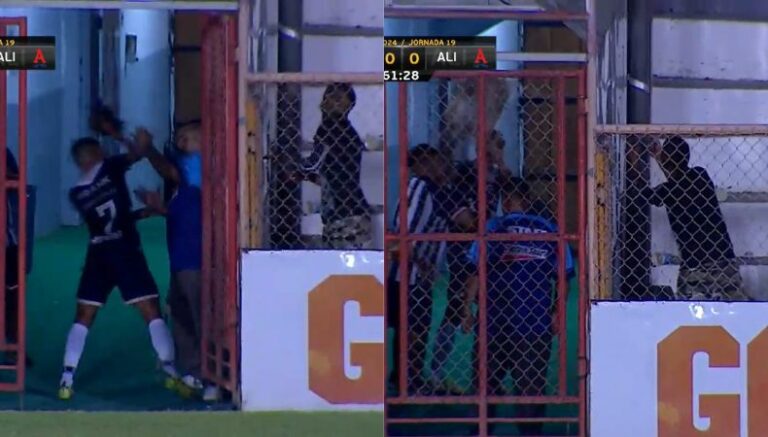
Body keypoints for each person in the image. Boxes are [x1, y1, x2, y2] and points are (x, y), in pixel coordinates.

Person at [57, 136, 179, 400]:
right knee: (150, 311)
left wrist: (142, 213)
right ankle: (171, 371)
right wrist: (134, 139)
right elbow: (136, 153)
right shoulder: (110, 167)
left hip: (99, 253)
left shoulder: (76, 193)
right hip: (125, 251)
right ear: (95, 153)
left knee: (84, 316)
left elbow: (107, 219)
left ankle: (66, 378)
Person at [463, 177, 573, 435]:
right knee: (531, 387)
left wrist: (467, 308)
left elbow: (475, 271)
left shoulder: (493, 228)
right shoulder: (549, 229)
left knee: (485, 383)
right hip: (534, 322)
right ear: (528, 200)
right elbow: (564, 276)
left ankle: (481, 429)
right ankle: (530, 430)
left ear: (505, 201)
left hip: (494, 321)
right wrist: (557, 312)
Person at [134, 122, 218, 402]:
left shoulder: (197, 164)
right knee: (182, 314)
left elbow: (169, 170)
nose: (180, 142)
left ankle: (212, 377)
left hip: (195, 258)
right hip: (181, 259)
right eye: (179, 137)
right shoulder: (187, 180)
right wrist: (159, 208)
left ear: (203, 141)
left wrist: (148, 150)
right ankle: (194, 373)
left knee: (199, 317)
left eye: (187, 137)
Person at [431, 130, 511, 394]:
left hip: (487, 250)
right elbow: (462, 214)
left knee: (494, 308)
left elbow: (513, 191)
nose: (493, 153)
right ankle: (437, 373)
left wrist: (499, 162)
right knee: (456, 307)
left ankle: (489, 377)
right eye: (490, 147)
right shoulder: (465, 172)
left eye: (498, 147)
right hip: (463, 250)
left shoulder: (498, 176)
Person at [642, 135, 747, 301]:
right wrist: (662, 159)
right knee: (736, 305)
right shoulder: (700, 176)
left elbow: (646, 194)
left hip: (694, 266)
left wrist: (636, 159)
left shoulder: (667, 191)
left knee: (688, 309)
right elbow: (679, 178)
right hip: (723, 260)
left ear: (665, 160)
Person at [387, 144, 450, 395]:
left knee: (410, 327)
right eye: (437, 162)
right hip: (410, 275)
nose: (442, 167)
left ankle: (403, 379)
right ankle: (408, 381)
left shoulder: (423, 189)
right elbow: (406, 234)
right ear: (424, 164)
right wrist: (423, 266)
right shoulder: (421, 188)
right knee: (414, 328)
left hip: (411, 272)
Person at [297, 83, 372, 249]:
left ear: (349, 106)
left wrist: (288, 161)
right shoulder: (348, 132)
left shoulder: (329, 128)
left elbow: (313, 164)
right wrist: (302, 174)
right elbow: (331, 176)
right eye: (331, 97)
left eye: (338, 99)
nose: (333, 102)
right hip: (353, 213)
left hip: (345, 217)